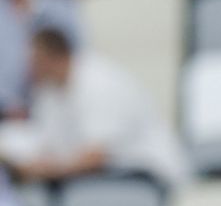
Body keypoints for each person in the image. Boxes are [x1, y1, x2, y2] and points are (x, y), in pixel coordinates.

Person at [0, 27, 185, 185]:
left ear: (55, 57)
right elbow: (47, 148)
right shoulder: (48, 93)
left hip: (145, 173)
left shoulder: (98, 82)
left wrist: (43, 171)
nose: (29, 69)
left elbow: (95, 157)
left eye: (35, 61)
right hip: (106, 181)